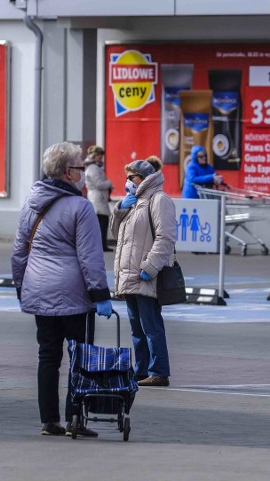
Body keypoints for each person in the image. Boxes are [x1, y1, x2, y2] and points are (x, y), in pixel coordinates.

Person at [11, 141, 113, 438]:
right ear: (69, 173)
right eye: (80, 167)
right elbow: (91, 257)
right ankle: (76, 418)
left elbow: (19, 251)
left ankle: (49, 420)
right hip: (74, 296)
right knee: (80, 356)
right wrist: (100, 295)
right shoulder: (81, 207)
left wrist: (22, 287)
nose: (83, 172)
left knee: (48, 356)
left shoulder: (31, 202)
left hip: (38, 291)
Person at [111, 160, 177, 387]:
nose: (128, 181)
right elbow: (116, 236)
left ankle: (159, 371)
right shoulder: (134, 202)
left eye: (132, 177)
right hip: (128, 275)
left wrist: (150, 267)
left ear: (144, 178)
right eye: (127, 177)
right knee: (137, 328)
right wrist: (119, 210)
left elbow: (165, 238)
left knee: (151, 325)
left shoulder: (159, 200)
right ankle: (141, 370)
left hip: (144, 274)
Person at [83, 145, 114, 252]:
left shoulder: (91, 167)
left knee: (101, 222)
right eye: (99, 156)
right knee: (102, 223)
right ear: (94, 156)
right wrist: (109, 183)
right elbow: (99, 184)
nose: (101, 159)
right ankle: (102, 245)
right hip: (97, 199)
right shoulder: (93, 168)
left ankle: (102, 245)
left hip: (96, 198)